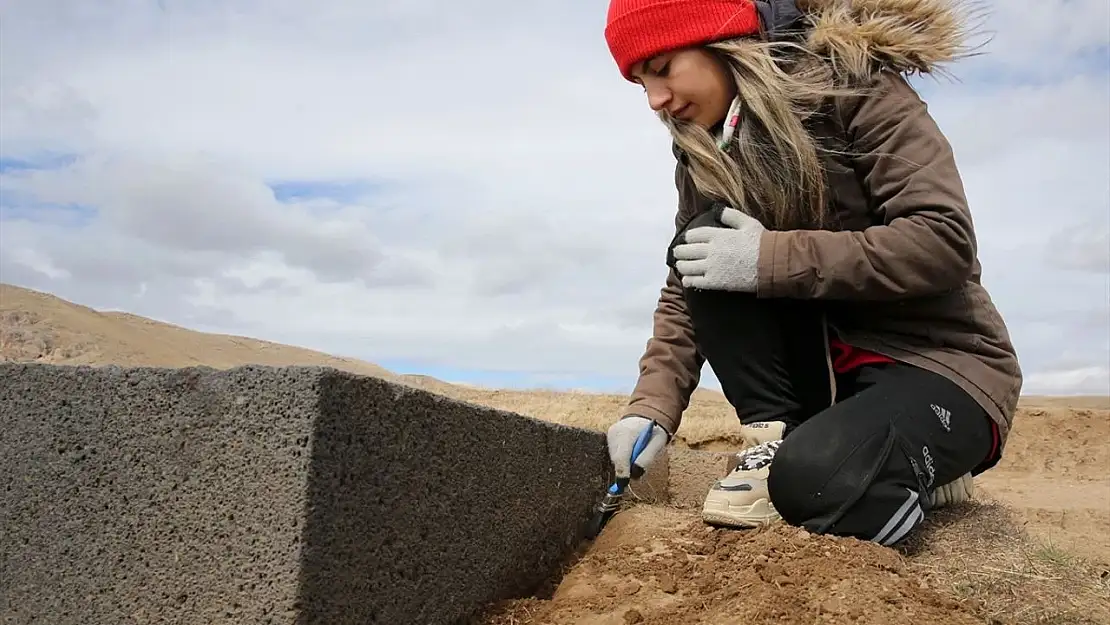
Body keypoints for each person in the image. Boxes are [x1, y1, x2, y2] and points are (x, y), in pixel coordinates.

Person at [601, 0, 1023, 547]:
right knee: (700, 239)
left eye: (662, 69)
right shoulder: (704, 147)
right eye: (640, 84)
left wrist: (766, 260)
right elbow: (689, 280)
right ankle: (775, 440)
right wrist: (651, 410)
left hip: (941, 364)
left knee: (815, 485)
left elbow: (943, 240)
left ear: (724, 40)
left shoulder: (856, 85)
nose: (656, 100)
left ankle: (898, 471)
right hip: (824, 377)